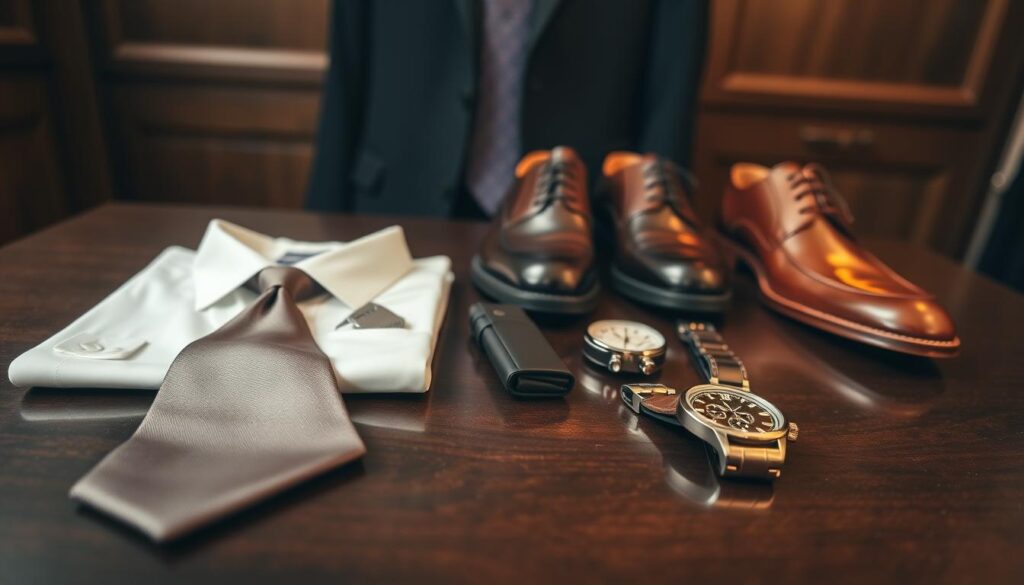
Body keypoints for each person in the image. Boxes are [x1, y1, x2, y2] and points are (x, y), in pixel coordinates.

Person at [306, 0, 708, 220]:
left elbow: (672, 83)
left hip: (585, 225)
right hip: (397, 207)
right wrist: (319, 228)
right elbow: (347, 68)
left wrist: (658, 220)